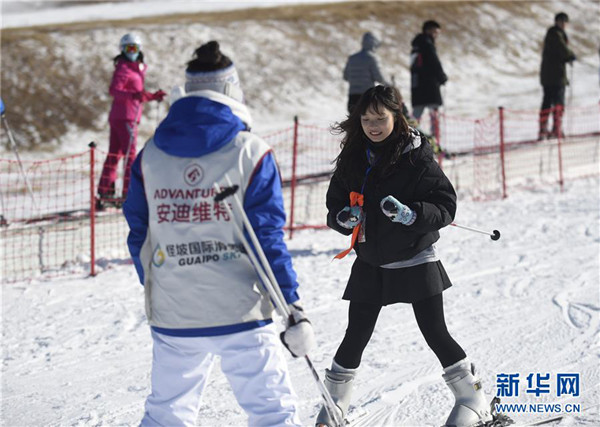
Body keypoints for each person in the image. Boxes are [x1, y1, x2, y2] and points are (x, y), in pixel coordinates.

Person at [123, 41, 317, 426]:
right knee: (272, 414)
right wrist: (292, 306)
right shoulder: (251, 152)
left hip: (175, 312)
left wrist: (162, 283)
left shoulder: (150, 155)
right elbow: (267, 237)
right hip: (241, 311)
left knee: (167, 414)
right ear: (232, 90)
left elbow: (138, 233)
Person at [316, 85, 493, 427]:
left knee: (434, 331)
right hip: (371, 261)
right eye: (366, 119)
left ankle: (473, 399)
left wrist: (411, 215)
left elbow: (445, 206)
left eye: (380, 118)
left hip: (415, 257)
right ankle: (334, 407)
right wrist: (343, 217)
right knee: (355, 335)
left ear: (397, 117)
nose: (373, 126)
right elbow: (334, 204)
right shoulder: (354, 156)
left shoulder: (416, 156)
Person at [97, 33, 165, 209]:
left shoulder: (135, 68)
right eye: (128, 48)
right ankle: (128, 193)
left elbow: (138, 95)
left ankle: (106, 191)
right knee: (130, 155)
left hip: (124, 116)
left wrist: (152, 96)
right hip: (126, 117)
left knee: (117, 153)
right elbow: (115, 91)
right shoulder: (124, 68)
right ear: (123, 50)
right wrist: (135, 95)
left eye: (134, 48)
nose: (132, 52)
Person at [538, 12, 576, 140]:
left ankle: (545, 128)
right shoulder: (555, 34)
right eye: (562, 22)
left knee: (548, 102)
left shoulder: (552, 34)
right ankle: (555, 129)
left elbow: (557, 52)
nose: (564, 24)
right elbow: (562, 49)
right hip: (556, 76)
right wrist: (570, 55)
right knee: (557, 102)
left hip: (549, 75)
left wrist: (567, 57)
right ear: (558, 22)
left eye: (565, 22)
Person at [410, 20, 447, 137]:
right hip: (430, 86)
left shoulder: (416, 46)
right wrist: (441, 77)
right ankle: (436, 141)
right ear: (428, 31)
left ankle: (409, 137)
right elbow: (434, 62)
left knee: (416, 116)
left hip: (417, 86)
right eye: (435, 32)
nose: (436, 35)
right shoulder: (427, 44)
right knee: (434, 116)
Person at [343, 31, 391, 113]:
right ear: (374, 44)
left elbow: (345, 76)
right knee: (366, 121)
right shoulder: (372, 58)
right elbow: (378, 77)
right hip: (367, 95)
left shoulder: (352, 58)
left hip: (353, 95)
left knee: (353, 122)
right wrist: (388, 85)